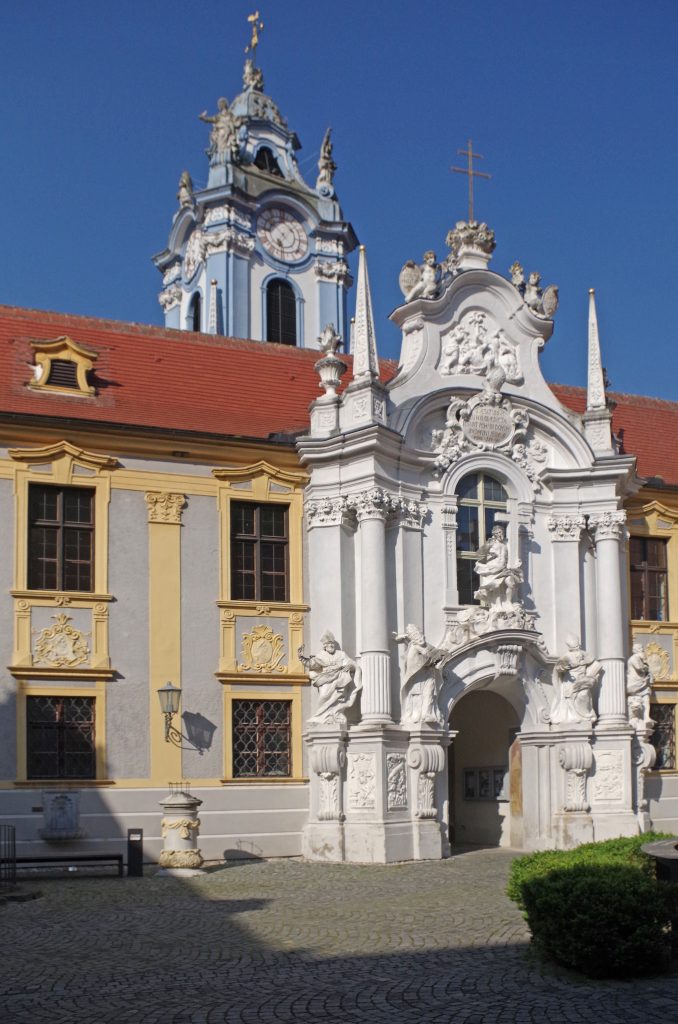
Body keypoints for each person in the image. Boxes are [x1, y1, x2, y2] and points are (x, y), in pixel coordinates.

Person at [299, 631, 360, 726]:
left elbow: (352, 664)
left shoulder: (341, 654)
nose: (331, 645)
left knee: (337, 696)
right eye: (329, 644)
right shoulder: (321, 655)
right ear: (324, 646)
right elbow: (312, 664)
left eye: (332, 643)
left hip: (339, 679)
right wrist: (301, 657)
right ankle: (321, 715)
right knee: (323, 696)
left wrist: (349, 666)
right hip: (326, 679)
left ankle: (334, 714)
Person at [627, 642, 653, 726]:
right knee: (640, 700)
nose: (643, 650)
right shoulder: (634, 658)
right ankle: (640, 717)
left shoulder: (638, 658)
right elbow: (640, 668)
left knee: (646, 697)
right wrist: (645, 665)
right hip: (635, 683)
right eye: (641, 648)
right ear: (636, 650)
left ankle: (646, 717)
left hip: (641, 682)